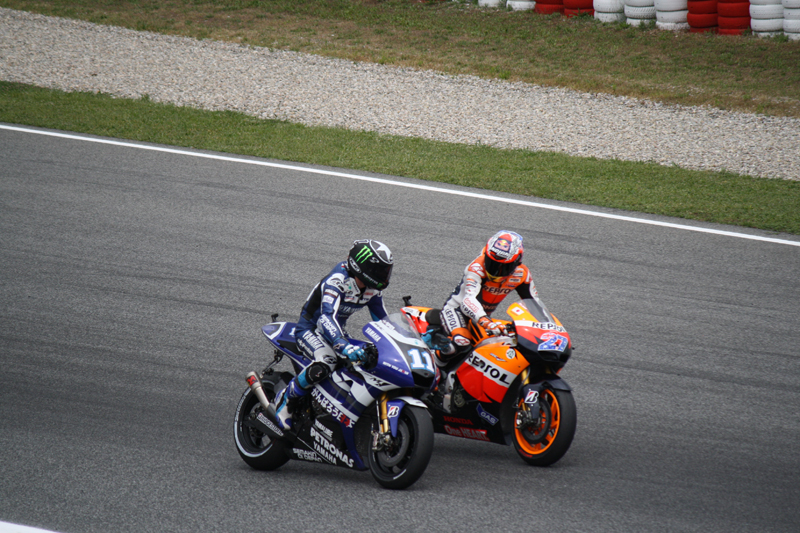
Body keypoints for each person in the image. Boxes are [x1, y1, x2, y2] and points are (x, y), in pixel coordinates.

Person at [273, 239, 394, 430]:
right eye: (380, 271)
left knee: (366, 359)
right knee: (327, 360)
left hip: (335, 329)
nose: (385, 276)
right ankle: (286, 400)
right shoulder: (337, 280)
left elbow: (384, 322)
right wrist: (342, 344)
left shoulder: (372, 290)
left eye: (386, 271)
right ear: (362, 267)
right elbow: (325, 317)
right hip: (310, 329)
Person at [432, 230, 536, 365]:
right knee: (461, 342)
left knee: (494, 350)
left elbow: (534, 304)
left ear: (517, 262)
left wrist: (547, 331)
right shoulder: (476, 267)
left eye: (503, 266)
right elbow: (468, 300)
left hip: (482, 318)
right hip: (456, 311)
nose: (495, 270)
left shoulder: (522, 274)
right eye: (491, 263)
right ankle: (434, 365)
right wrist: (485, 321)